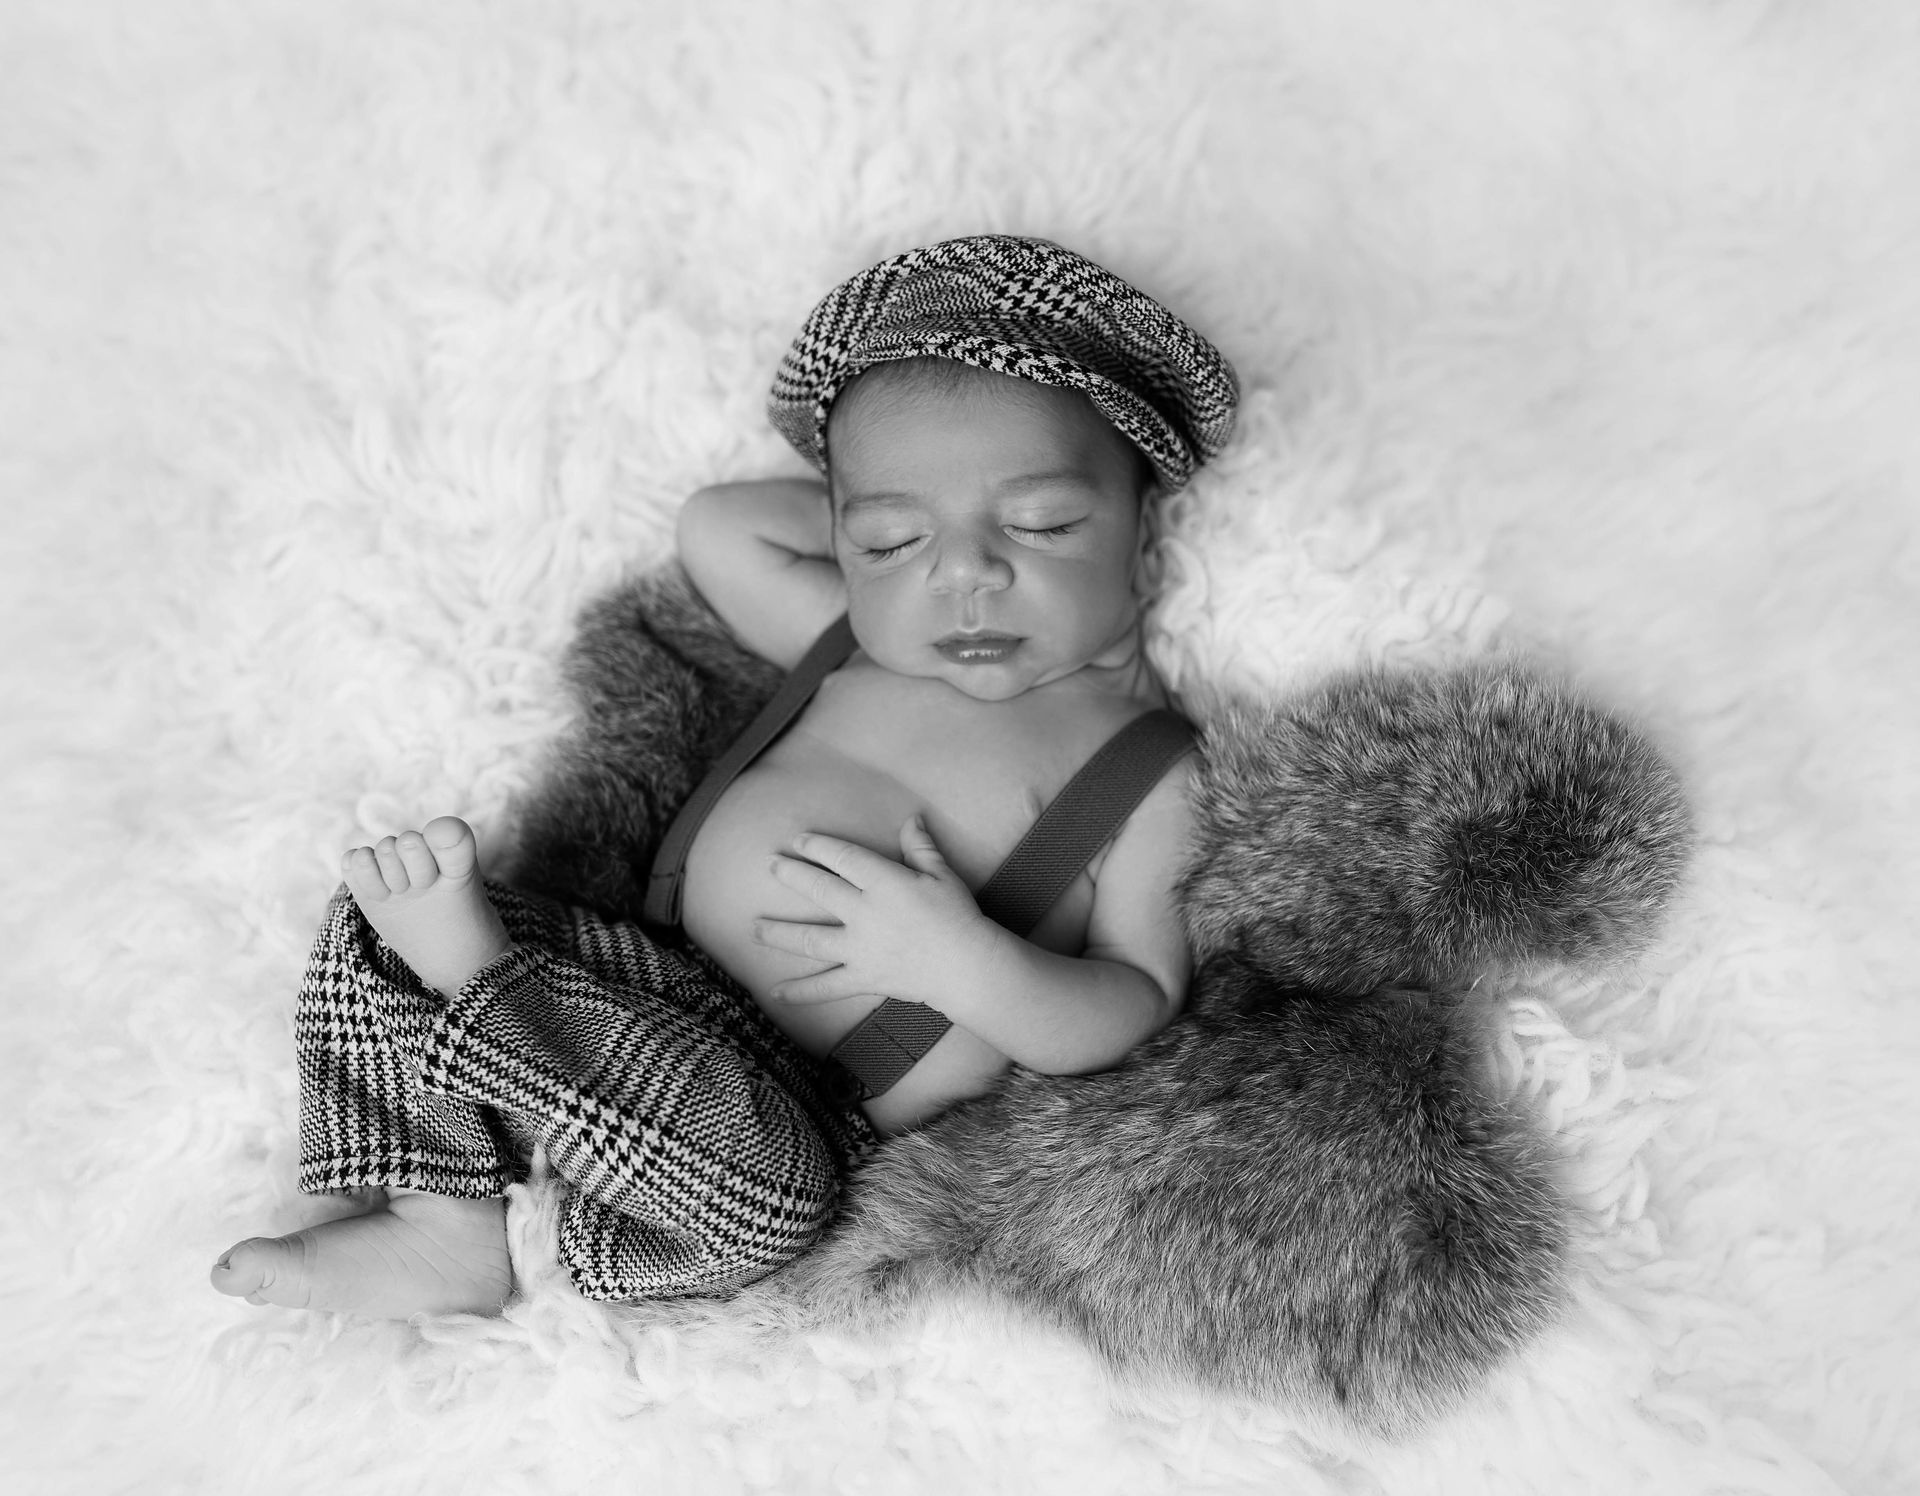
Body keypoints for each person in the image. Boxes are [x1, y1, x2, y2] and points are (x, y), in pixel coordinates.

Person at [209, 235, 1239, 1318]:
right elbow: (718, 526)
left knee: (771, 1201)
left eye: (1041, 524)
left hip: (800, 1112)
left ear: (1145, 535)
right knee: (380, 913)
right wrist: (861, 537)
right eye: (893, 538)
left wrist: (962, 963)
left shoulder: (1150, 767)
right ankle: (444, 1216)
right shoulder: (853, 639)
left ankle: (487, 1007)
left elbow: (1135, 1000)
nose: (965, 573)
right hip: (641, 979)